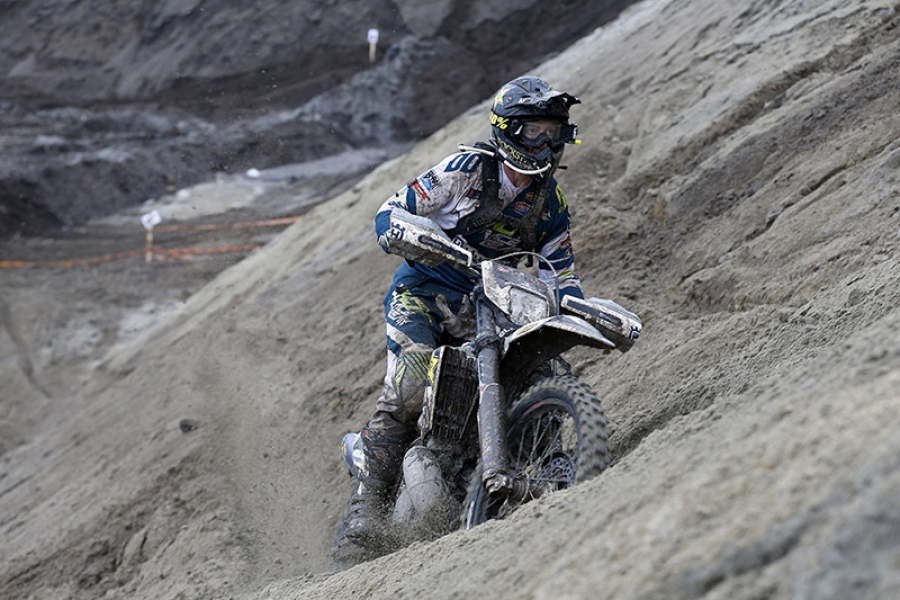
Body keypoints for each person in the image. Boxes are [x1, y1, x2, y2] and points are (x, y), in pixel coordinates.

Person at [332, 75, 586, 562]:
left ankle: (548, 460)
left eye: (553, 133)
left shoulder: (550, 203)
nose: (545, 144)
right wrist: (415, 237)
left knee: (542, 367)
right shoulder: (465, 170)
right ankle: (366, 506)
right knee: (411, 383)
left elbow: (563, 273)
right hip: (425, 293)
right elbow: (390, 212)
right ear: (507, 131)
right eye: (534, 133)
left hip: (491, 303)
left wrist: (573, 303)